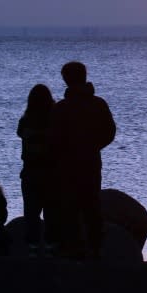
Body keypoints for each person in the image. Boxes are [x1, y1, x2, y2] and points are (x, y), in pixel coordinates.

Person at [49, 61, 116, 259]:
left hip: (68, 165)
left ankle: (74, 248)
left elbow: (53, 138)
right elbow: (109, 131)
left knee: (70, 206)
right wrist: (94, 146)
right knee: (91, 205)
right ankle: (95, 248)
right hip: (90, 162)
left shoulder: (62, 108)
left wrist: (63, 152)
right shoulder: (98, 104)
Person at [17, 83, 57, 257]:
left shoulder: (25, 121)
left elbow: (20, 134)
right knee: (52, 210)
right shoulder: (55, 119)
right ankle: (51, 245)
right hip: (51, 173)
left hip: (30, 172)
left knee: (31, 212)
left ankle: (32, 246)